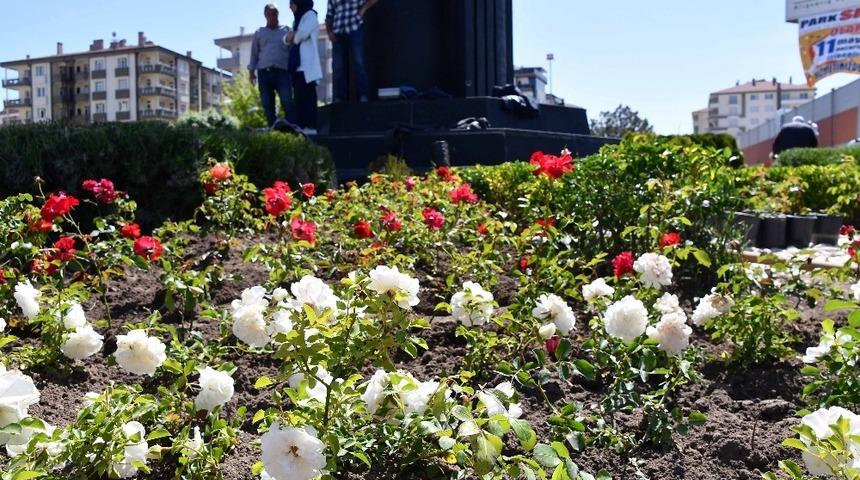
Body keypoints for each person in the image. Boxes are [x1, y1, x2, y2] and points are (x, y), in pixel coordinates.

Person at [248, 3, 295, 127]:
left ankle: (292, 130)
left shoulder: (286, 30)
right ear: (265, 15)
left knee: (287, 102)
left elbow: (293, 52)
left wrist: (294, 71)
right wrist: (251, 73)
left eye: (275, 13)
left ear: (278, 14)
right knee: (268, 104)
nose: (272, 16)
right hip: (264, 73)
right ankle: (273, 131)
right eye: (269, 14)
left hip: (282, 72)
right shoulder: (259, 33)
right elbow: (254, 53)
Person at [326, 0, 379, 103]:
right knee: (338, 66)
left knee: (359, 62)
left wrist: (362, 10)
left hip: (355, 28)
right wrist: (329, 32)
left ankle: (363, 95)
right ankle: (340, 97)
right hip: (338, 31)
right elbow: (329, 15)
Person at [286, 0, 322, 133]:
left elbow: (299, 36)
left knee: (309, 100)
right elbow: (286, 38)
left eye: (292, 3)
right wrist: (291, 37)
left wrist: (292, 36)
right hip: (297, 68)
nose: (290, 7)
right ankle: (302, 129)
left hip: (307, 68)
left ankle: (311, 129)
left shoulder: (311, 16)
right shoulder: (297, 20)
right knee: (299, 102)